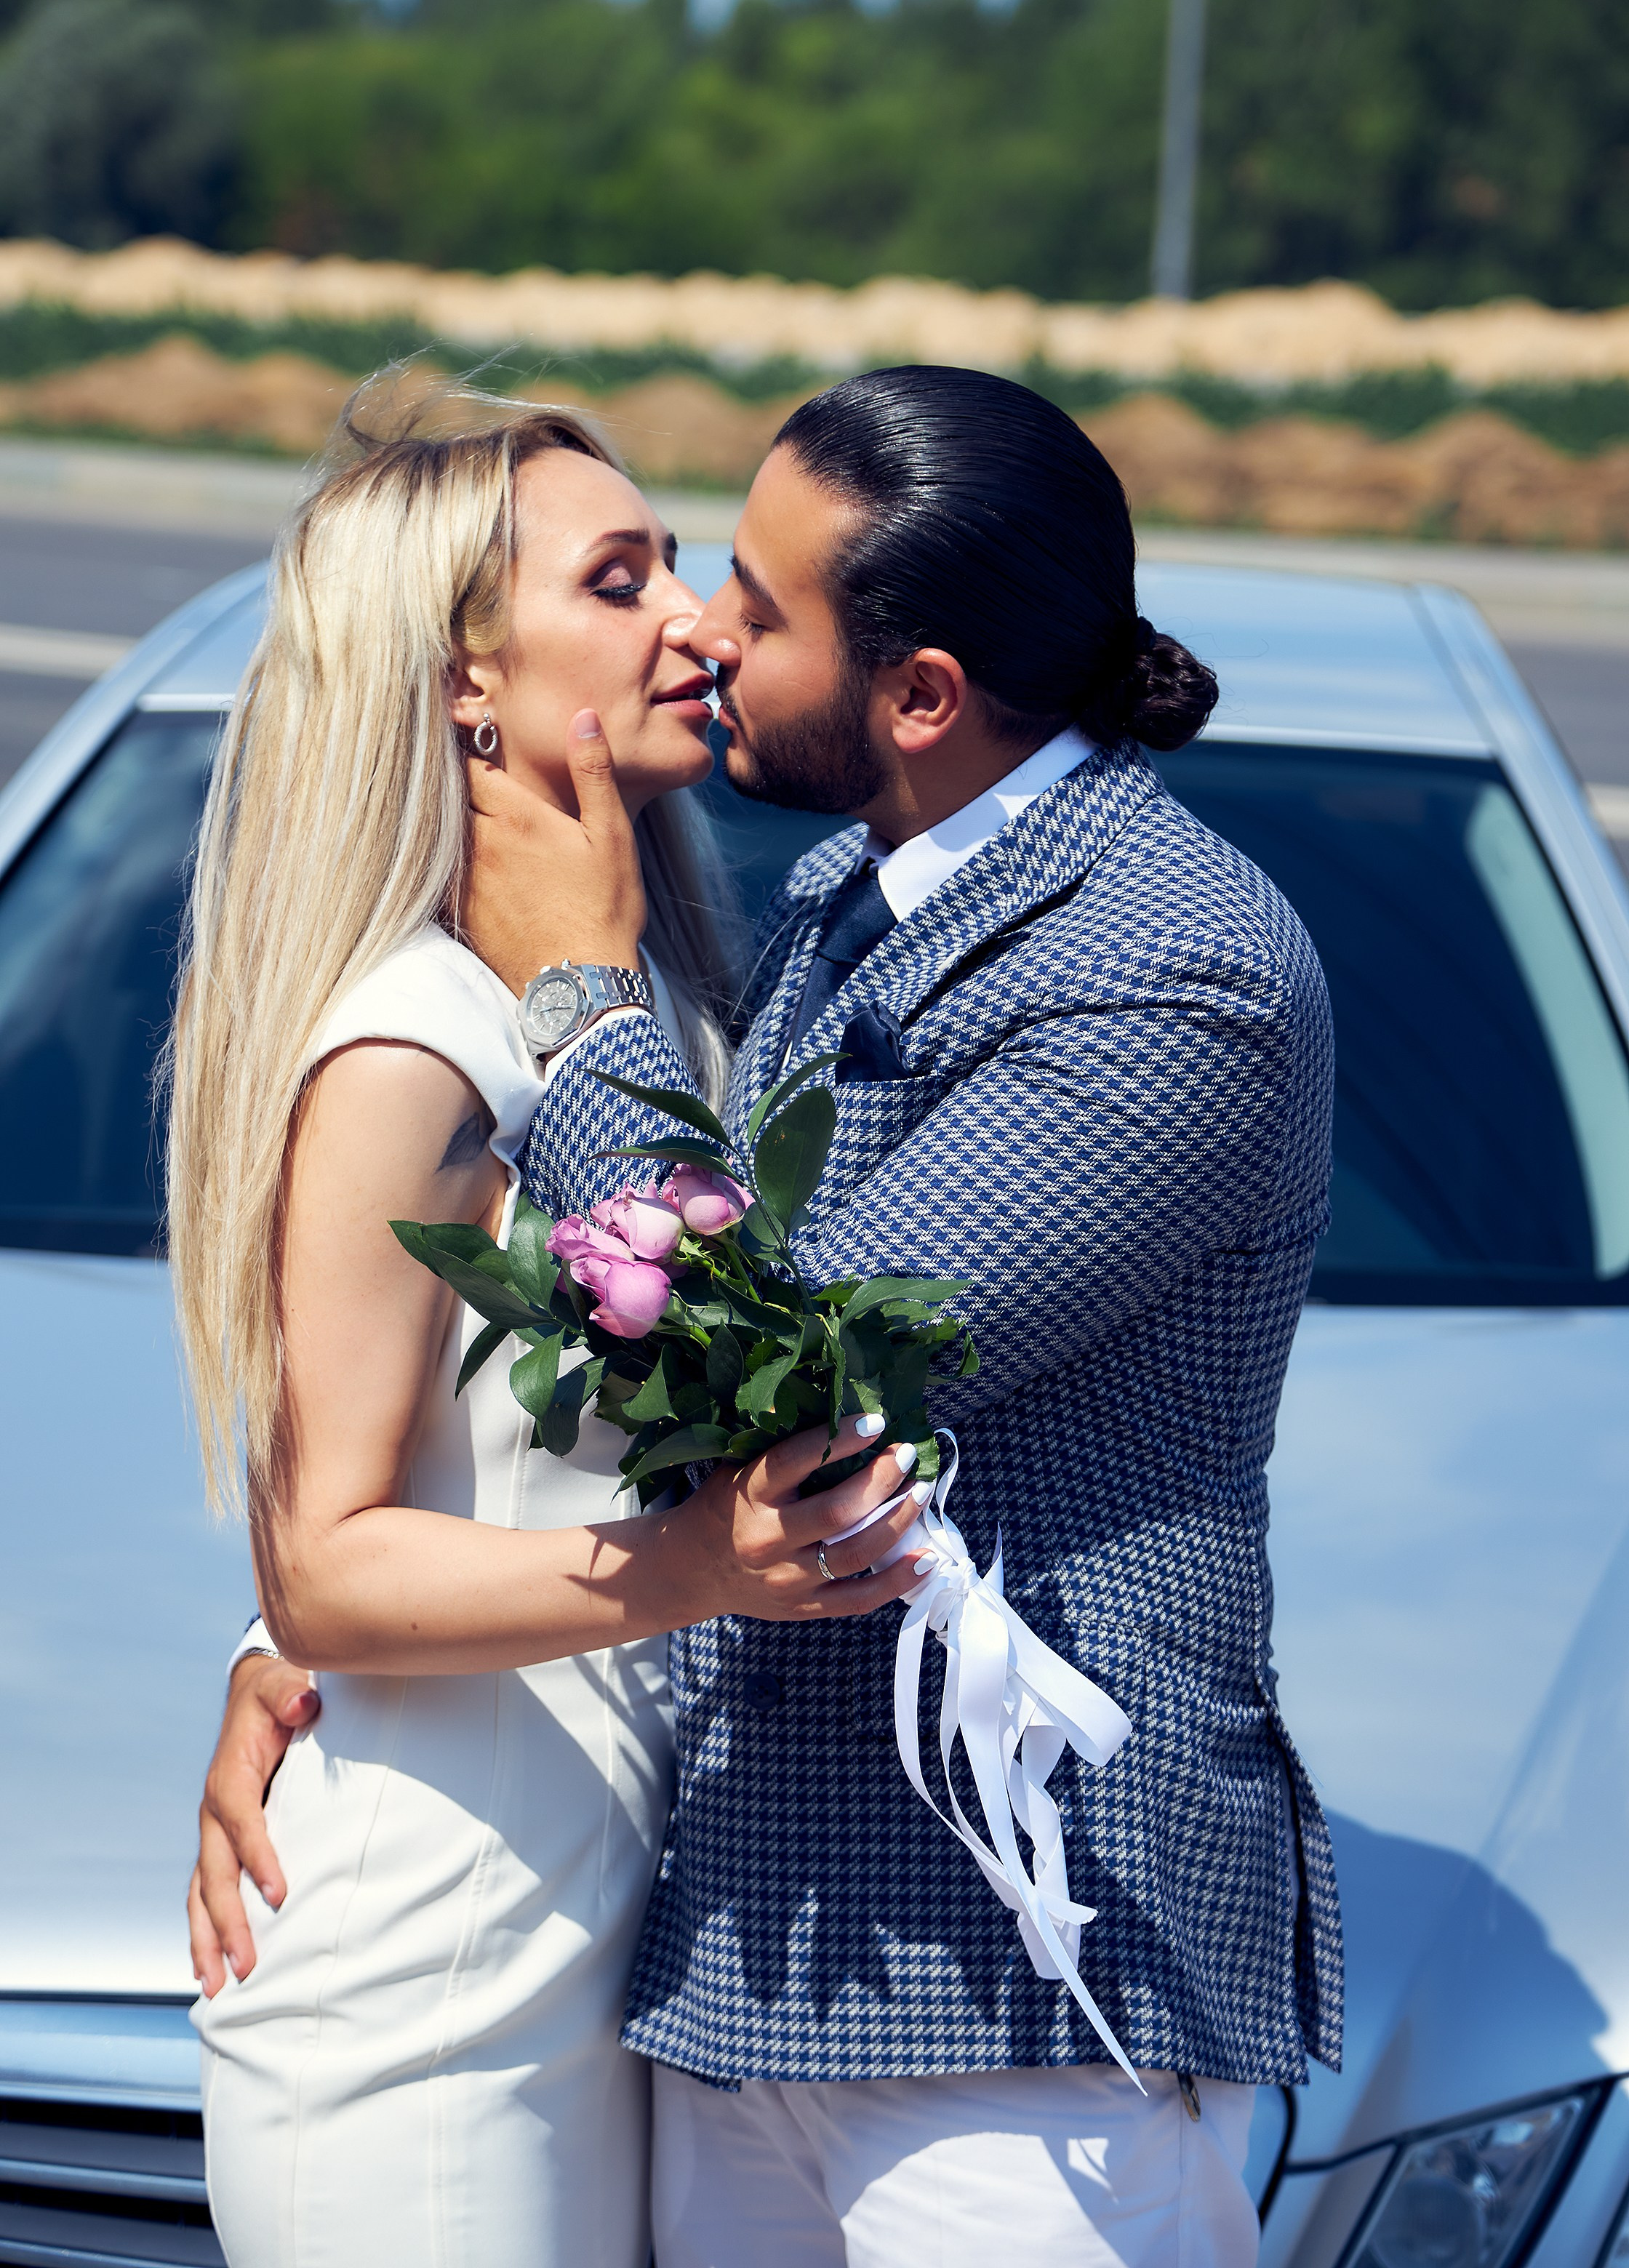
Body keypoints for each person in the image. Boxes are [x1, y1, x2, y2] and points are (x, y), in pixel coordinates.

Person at [197, 366, 1342, 2267]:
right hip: (730, 1983)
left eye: (750, 596)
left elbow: (771, 1368)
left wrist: (581, 994)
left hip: (1011, 1990)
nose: (705, 631)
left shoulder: (1174, 969)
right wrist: (300, 1636)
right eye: (653, 572)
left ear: (919, 696)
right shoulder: (821, 906)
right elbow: (499, 1433)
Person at [171, 390, 926, 2268]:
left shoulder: (649, 1015)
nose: (695, 619)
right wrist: (697, 1562)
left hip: (604, 1991)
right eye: (621, 577)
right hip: (431, 2036)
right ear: (464, 686)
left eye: (673, 561)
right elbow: (329, 1558)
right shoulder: (412, 1047)